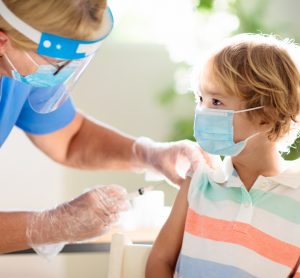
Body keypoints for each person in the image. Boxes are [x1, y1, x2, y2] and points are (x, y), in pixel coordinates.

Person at [0, 0, 210, 255]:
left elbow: (69, 139)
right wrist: (48, 226)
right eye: (58, 63)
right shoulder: (22, 59)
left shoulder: (19, 66)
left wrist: (149, 154)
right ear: (3, 41)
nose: (61, 73)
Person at [146, 33, 300, 277]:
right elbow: (160, 260)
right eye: (200, 98)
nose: (202, 111)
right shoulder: (198, 181)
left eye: (216, 101)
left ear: (266, 116)